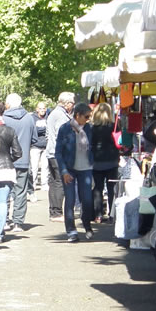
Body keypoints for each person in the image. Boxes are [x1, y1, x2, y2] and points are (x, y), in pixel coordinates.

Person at [55, 101, 94, 242]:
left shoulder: (90, 129)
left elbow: (94, 147)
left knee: (87, 200)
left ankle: (87, 224)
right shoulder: (65, 129)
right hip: (70, 169)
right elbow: (58, 152)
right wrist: (64, 170)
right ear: (77, 115)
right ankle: (71, 231)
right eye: (86, 117)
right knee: (70, 200)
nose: (88, 120)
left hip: (86, 169)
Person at [0, 99, 22, 245]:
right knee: (2, 202)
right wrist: (10, 159)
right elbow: (18, 153)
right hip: (7, 169)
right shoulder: (10, 130)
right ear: (3, 112)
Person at [2, 93, 35, 232]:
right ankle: (18, 222)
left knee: (4, 191)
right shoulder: (29, 118)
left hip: (5, 161)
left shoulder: (3, 119)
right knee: (21, 191)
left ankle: (4, 220)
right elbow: (34, 139)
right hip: (23, 160)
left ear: (8, 104)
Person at [44, 92, 74, 222]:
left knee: (54, 182)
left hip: (51, 152)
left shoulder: (53, 114)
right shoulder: (61, 116)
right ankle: (56, 212)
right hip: (58, 153)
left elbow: (48, 134)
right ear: (67, 104)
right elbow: (61, 135)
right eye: (72, 103)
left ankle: (54, 211)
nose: (73, 105)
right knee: (60, 182)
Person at [89, 102, 120, 223]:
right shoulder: (114, 125)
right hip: (112, 160)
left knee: (97, 188)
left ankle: (98, 214)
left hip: (96, 161)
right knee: (112, 188)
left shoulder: (92, 127)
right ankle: (112, 215)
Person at [29, 100, 49, 195]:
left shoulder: (48, 117)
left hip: (45, 146)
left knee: (45, 166)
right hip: (35, 146)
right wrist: (42, 130)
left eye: (44, 108)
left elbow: (48, 130)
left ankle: (44, 184)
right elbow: (34, 130)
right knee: (34, 166)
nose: (42, 110)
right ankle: (33, 184)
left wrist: (41, 130)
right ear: (37, 109)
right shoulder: (32, 118)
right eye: (40, 108)